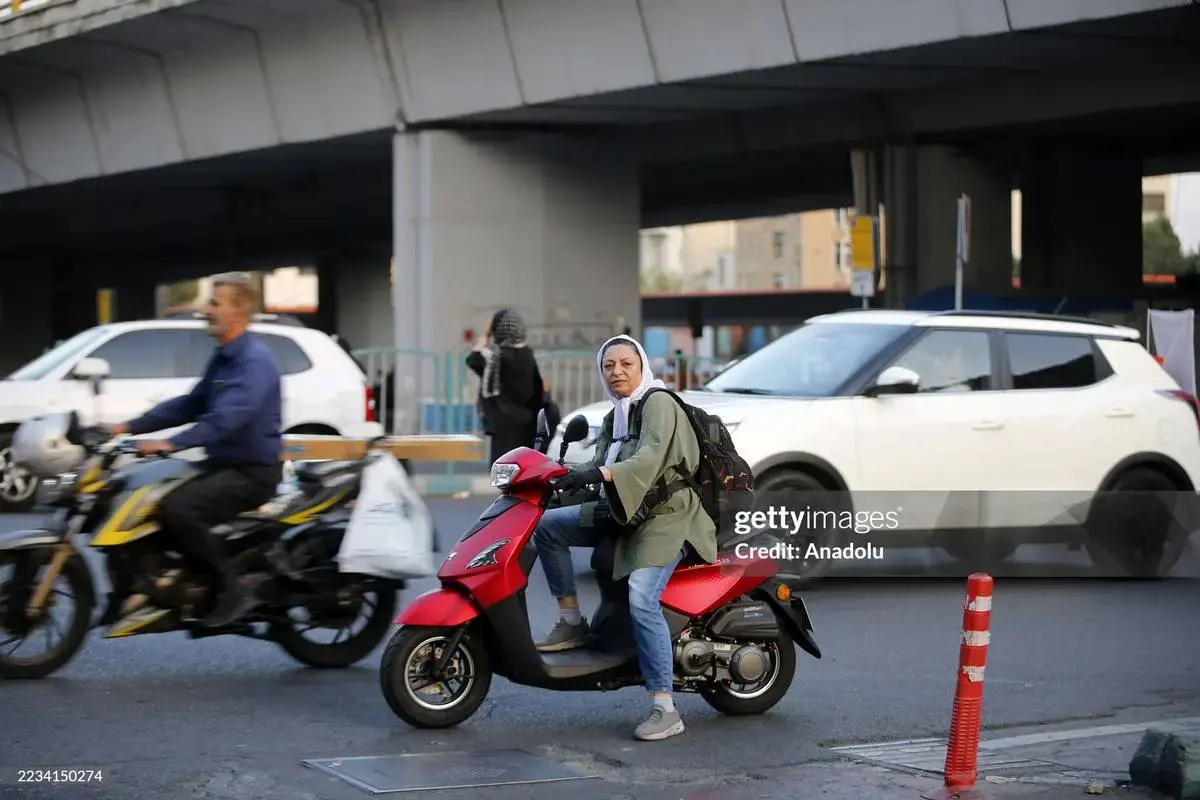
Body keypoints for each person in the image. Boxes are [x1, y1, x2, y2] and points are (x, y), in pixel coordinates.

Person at [532, 334, 718, 742]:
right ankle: (571, 622)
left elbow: (649, 459)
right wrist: (557, 478)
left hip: (667, 516)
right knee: (546, 527)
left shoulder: (658, 403)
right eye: (608, 365)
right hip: (625, 510)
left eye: (625, 364)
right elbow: (600, 464)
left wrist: (598, 473)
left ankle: (665, 707)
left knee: (641, 597)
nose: (617, 371)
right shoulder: (616, 415)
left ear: (642, 366)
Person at [107, 272, 283, 628]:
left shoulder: (254, 362)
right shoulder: (225, 357)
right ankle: (146, 584)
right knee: (142, 497)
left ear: (238, 311)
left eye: (214, 303)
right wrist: (126, 427)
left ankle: (232, 587)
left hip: (251, 473)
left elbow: (225, 419)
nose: (205, 310)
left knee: (181, 510)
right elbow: (190, 405)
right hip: (220, 465)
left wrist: (171, 443)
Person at [465, 309, 545, 465]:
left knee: (502, 471)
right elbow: (537, 391)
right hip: (527, 425)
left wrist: (485, 335)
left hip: (503, 425)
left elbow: (472, 359)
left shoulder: (494, 357)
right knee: (522, 469)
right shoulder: (528, 355)